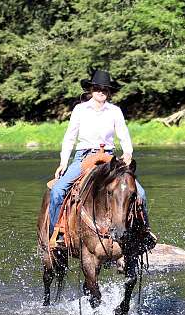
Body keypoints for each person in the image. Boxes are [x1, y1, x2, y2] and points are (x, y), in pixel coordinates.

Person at [49, 69, 154, 248]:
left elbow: (124, 135)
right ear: (91, 89)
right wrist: (63, 162)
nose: (101, 92)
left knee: (140, 193)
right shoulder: (80, 109)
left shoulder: (115, 111)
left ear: (109, 92)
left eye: (105, 89)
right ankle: (58, 232)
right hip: (84, 156)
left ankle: (143, 232)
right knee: (58, 191)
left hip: (109, 158)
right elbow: (70, 137)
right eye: (98, 88)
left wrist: (128, 153)